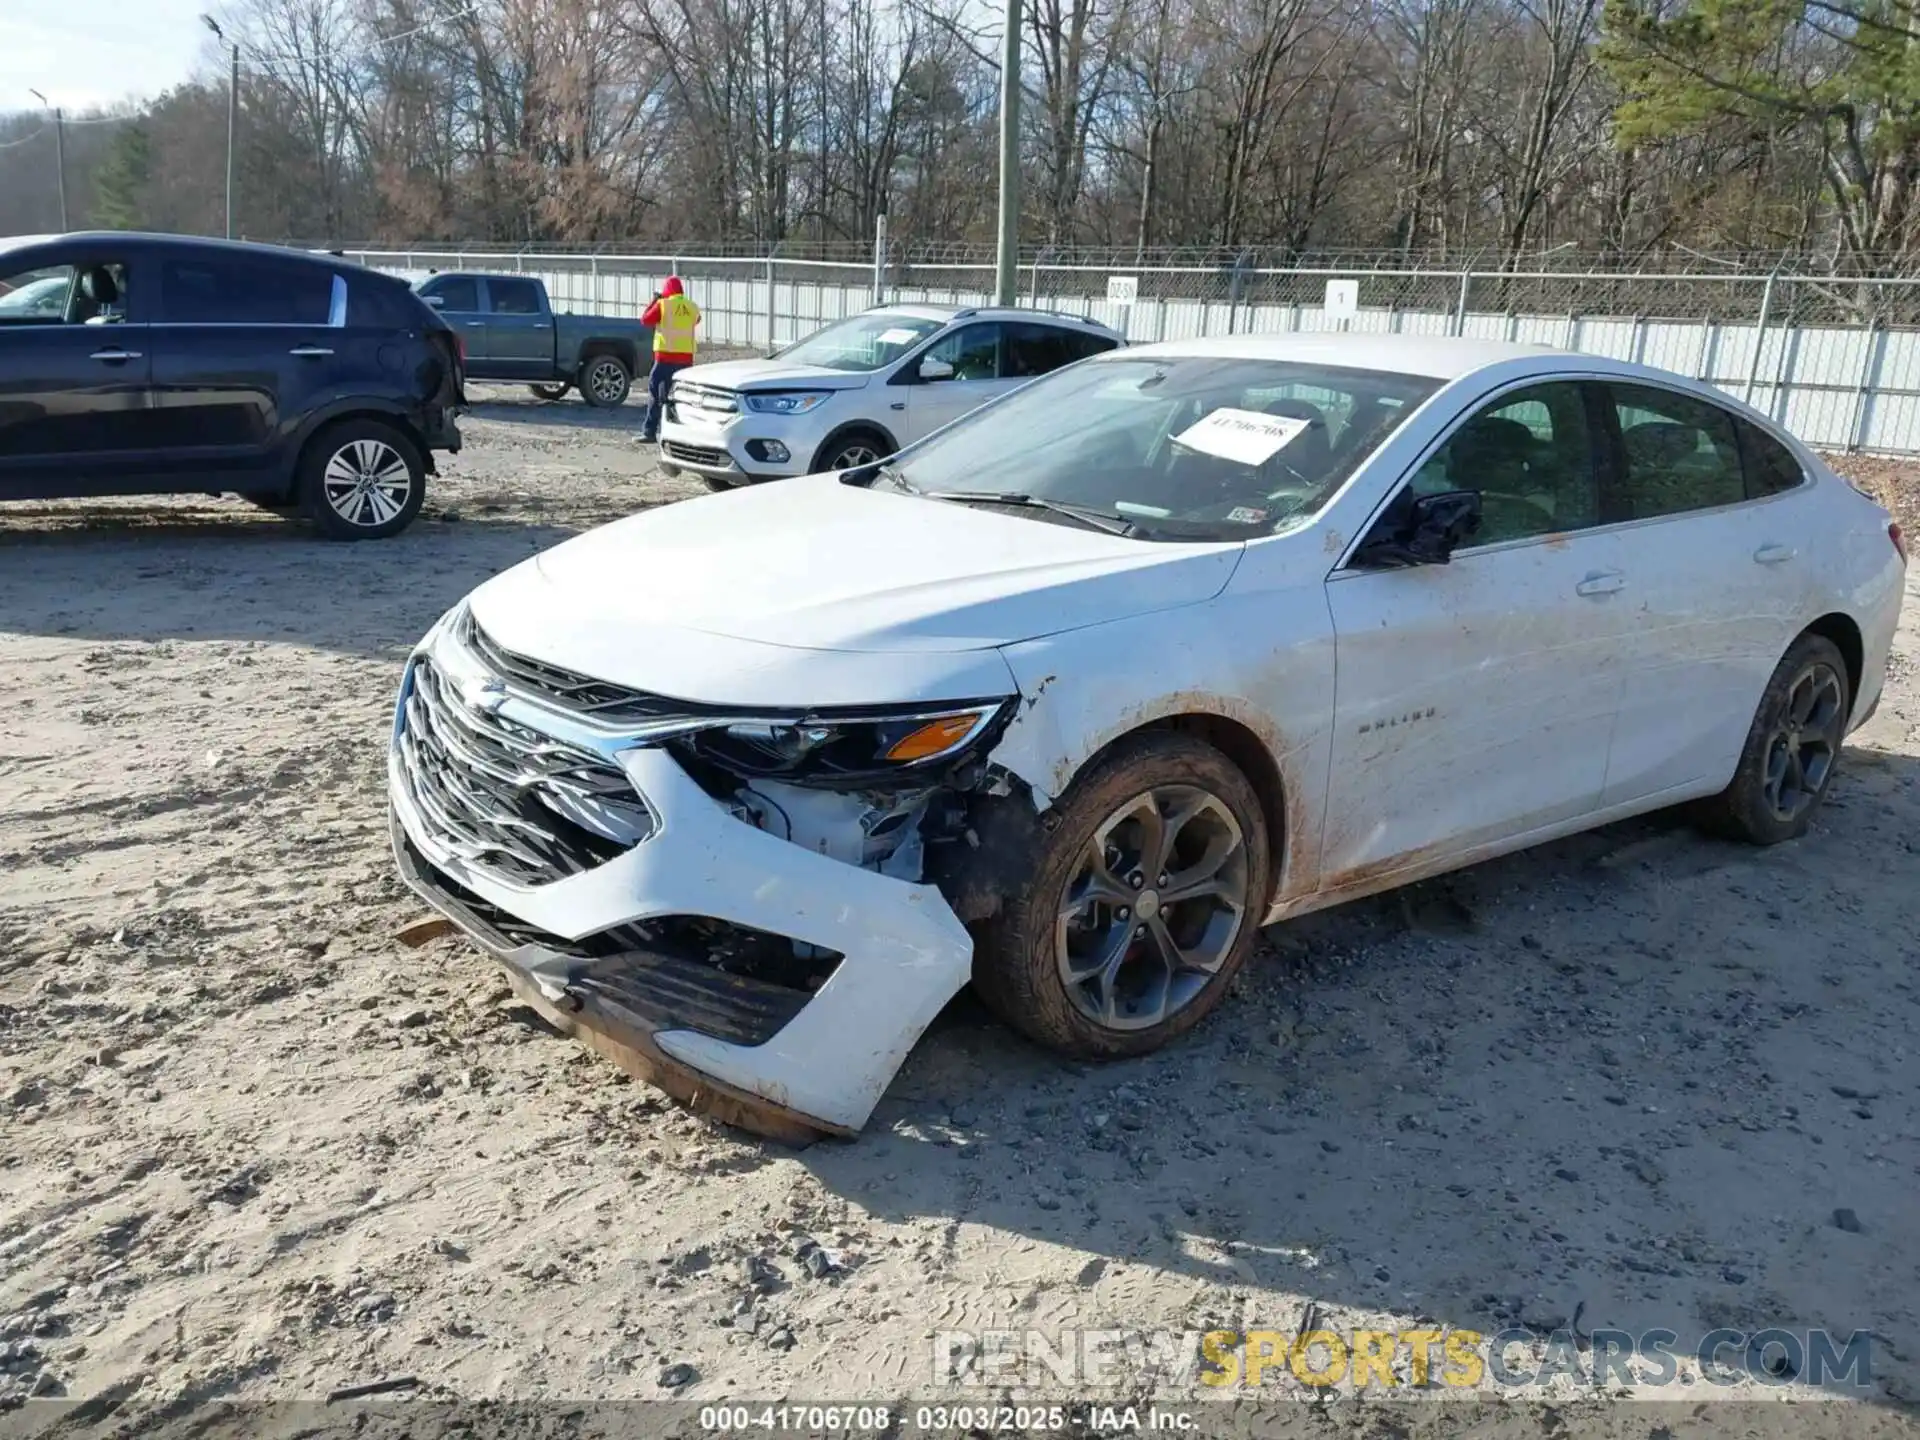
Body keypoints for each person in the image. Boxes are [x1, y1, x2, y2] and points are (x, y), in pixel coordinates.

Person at [640, 275, 700, 442]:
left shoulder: (663, 304)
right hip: (686, 361)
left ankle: (649, 432)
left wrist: (655, 300)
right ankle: (682, 435)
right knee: (681, 397)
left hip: (665, 358)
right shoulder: (692, 306)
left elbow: (645, 320)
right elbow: (697, 320)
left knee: (655, 392)